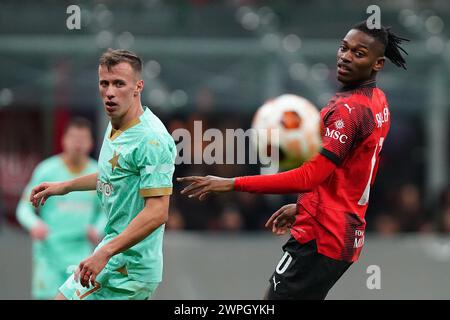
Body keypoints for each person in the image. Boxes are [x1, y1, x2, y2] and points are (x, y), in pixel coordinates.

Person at [178, 22, 408, 300]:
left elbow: (309, 176)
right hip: (342, 233)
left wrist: (231, 183)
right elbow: (350, 173)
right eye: (343, 48)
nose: (345, 57)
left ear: (378, 64)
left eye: (359, 53)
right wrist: (307, 205)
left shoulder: (349, 112)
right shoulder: (377, 101)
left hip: (322, 238)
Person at [30, 49, 176, 300]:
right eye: (104, 83)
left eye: (119, 84)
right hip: (115, 258)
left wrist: (104, 252)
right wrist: (64, 186)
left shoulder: (152, 140)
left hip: (127, 268)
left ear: (138, 87)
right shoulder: (115, 123)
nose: (109, 92)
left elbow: (158, 211)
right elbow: (114, 175)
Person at [16, 117, 106, 299]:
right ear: (64, 140)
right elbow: (23, 209)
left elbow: (107, 211)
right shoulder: (46, 170)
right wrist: (34, 225)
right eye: (74, 137)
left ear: (91, 143)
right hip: (49, 254)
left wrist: (97, 229)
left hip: (82, 256)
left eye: (83, 138)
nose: (77, 143)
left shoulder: (98, 174)